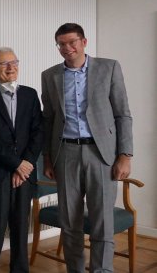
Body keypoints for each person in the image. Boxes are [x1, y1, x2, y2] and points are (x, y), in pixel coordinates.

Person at [41, 23, 133, 273]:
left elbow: (122, 114)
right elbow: (48, 120)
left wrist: (125, 155)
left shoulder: (109, 67)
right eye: (61, 44)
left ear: (84, 42)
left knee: (102, 221)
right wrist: (48, 159)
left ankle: (102, 270)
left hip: (101, 155)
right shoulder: (50, 76)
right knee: (70, 222)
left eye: (72, 42)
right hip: (66, 155)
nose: (67, 48)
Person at [0, 47, 43, 273]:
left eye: (14, 62)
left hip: (24, 172)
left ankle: (20, 269)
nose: (11, 67)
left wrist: (25, 165)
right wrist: (15, 164)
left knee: (20, 225)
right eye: (4, 64)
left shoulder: (30, 94)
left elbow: (38, 132)